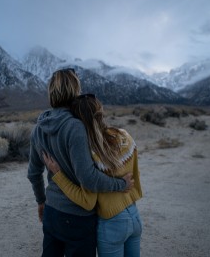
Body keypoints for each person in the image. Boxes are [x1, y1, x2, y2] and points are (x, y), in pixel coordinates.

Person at [27, 68, 134, 257]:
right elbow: (88, 178)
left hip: (52, 211)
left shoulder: (38, 129)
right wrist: (121, 184)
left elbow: (33, 173)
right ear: (75, 90)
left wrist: (41, 201)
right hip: (77, 216)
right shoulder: (75, 126)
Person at [43, 94, 143, 257]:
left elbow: (87, 202)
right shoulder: (125, 136)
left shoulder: (93, 154)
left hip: (112, 223)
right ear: (100, 112)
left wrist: (58, 175)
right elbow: (135, 176)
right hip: (135, 216)